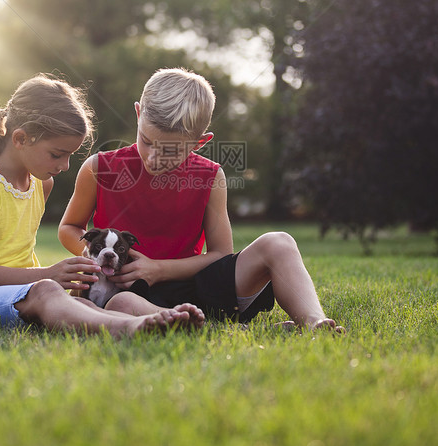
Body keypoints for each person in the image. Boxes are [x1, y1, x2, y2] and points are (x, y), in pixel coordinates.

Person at [59, 68, 344, 333]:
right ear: (137, 114)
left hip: (193, 284)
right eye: (147, 141)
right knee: (121, 305)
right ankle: (188, 322)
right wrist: (98, 258)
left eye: (171, 151)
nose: (153, 158)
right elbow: (70, 226)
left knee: (279, 242)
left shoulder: (210, 176)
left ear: (199, 142)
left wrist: (158, 269)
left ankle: (314, 322)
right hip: (129, 291)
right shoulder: (100, 168)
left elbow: (221, 254)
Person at [0, 74, 201, 337]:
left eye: (70, 155)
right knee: (47, 291)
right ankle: (122, 330)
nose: (65, 166)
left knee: (85, 304)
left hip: (21, 291)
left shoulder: (40, 183)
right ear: (20, 138)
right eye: (57, 154)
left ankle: (150, 321)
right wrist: (47, 274)